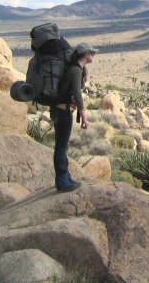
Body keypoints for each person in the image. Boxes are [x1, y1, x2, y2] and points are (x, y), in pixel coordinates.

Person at [52, 42, 98, 193]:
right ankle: (62, 182)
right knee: (61, 148)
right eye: (92, 53)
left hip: (60, 109)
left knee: (62, 147)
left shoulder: (74, 68)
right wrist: (84, 115)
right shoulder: (76, 70)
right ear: (86, 55)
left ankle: (66, 177)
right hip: (63, 110)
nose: (93, 55)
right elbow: (77, 94)